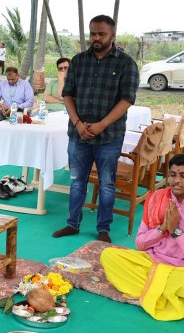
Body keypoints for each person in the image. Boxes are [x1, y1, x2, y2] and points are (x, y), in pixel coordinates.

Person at [52, 14, 139, 243]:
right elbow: (67, 94)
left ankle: (103, 229)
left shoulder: (125, 63)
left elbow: (127, 99)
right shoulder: (79, 61)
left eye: (101, 33)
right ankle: (72, 223)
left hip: (109, 136)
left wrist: (101, 125)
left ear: (113, 35)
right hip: (78, 134)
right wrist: (78, 123)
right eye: (93, 33)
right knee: (76, 181)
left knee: (107, 183)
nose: (96, 38)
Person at [101, 153, 184, 321]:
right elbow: (140, 244)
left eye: (183, 176)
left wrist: (176, 231)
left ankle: (146, 291)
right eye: (172, 175)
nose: (176, 180)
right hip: (152, 261)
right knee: (109, 255)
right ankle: (161, 293)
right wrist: (162, 228)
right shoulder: (156, 199)